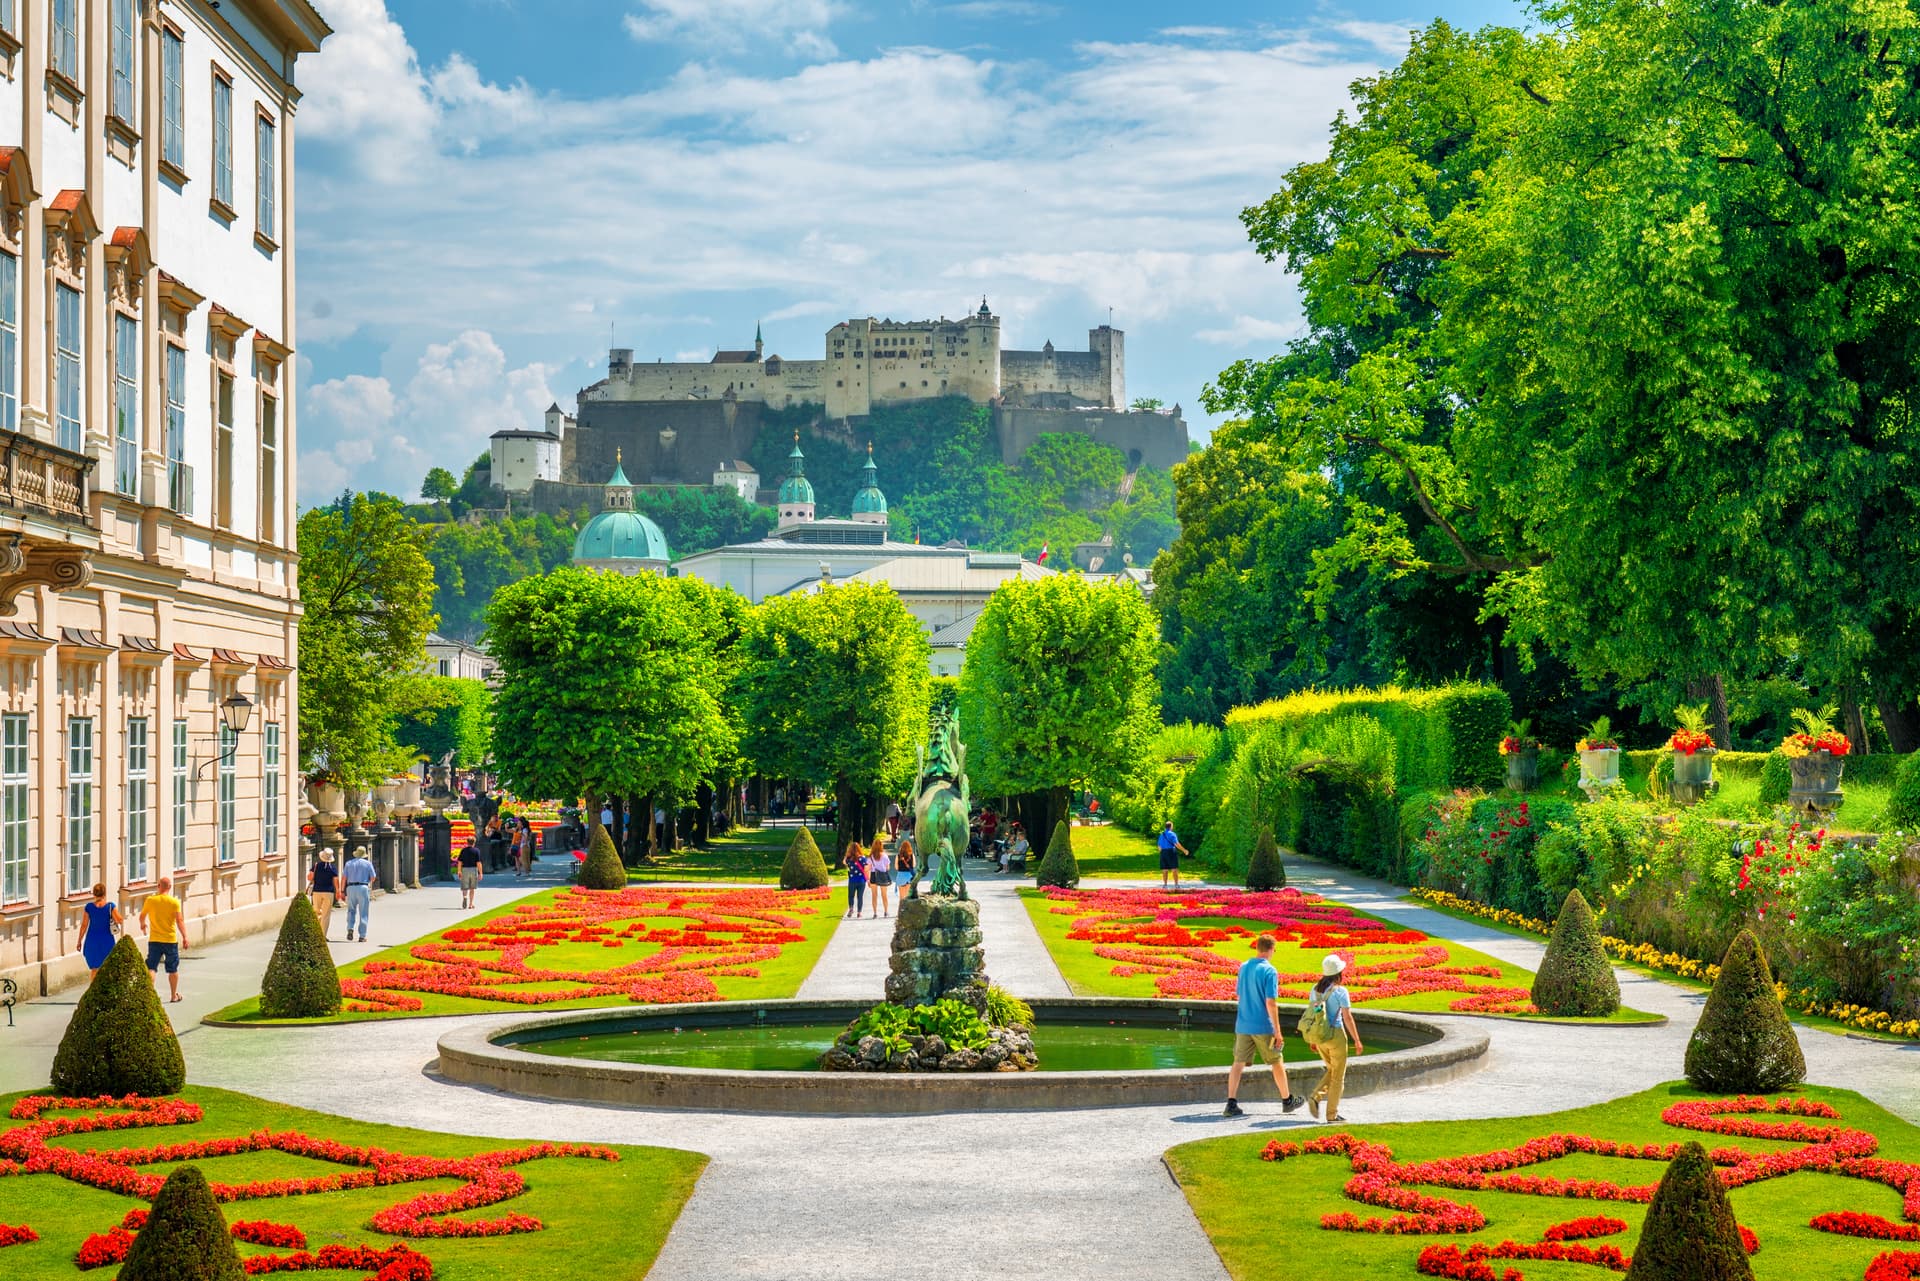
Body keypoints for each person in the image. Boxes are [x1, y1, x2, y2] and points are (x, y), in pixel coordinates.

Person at [1224, 934, 1302, 1117]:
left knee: (1238, 1062)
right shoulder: (1270, 971)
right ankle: (1287, 1100)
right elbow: (1271, 1003)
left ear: (1257, 948)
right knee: (1276, 1061)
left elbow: (1240, 996)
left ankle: (1231, 1102)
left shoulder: (1243, 967)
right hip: (1263, 1025)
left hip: (1243, 1024)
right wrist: (1278, 1030)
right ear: (1271, 949)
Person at [1304, 955, 1363, 1122]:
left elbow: (1312, 1016)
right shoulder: (1340, 991)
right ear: (1339, 973)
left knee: (1332, 1071)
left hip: (1320, 1036)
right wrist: (1357, 1040)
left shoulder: (1314, 990)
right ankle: (1331, 1114)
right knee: (1338, 1076)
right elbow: (1347, 1018)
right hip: (1336, 1035)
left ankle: (1316, 1097)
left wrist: (1313, 1040)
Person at [139, 877, 189, 1002]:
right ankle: (173, 996)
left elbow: (142, 916)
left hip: (155, 939)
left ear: (158, 886)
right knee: (173, 969)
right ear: (170, 887)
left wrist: (143, 925)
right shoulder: (174, 902)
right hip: (170, 940)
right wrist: (185, 937)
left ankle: (149, 997)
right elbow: (179, 920)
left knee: (151, 967)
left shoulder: (150, 900)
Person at [77, 882, 122, 977]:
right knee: (108, 968)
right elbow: (119, 920)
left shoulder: (89, 907)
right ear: (104, 894)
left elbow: (84, 925)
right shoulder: (110, 906)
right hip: (107, 940)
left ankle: (93, 990)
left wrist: (79, 941)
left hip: (92, 941)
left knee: (94, 969)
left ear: (94, 894)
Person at [342, 847, 377, 942]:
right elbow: (373, 877)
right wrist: (368, 882)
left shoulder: (348, 863)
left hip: (350, 887)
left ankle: (350, 928)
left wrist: (342, 891)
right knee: (363, 912)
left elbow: (344, 878)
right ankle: (362, 935)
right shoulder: (368, 864)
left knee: (351, 910)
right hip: (363, 887)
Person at [308, 850, 340, 937]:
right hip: (328, 892)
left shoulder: (316, 866)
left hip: (317, 891)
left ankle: (316, 934)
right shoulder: (332, 868)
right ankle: (323, 935)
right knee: (326, 914)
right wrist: (338, 891)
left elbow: (309, 877)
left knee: (317, 912)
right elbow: (335, 880)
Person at [866, 835, 891, 918]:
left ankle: (875, 913)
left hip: (873, 875)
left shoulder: (870, 857)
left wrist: (868, 880)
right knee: (884, 895)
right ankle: (886, 911)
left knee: (874, 895)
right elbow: (888, 868)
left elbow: (868, 868)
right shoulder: (884, 855)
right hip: (883, 875)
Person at [1158, 821, 1189, 890]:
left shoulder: (1161, 835)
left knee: (1164, 870)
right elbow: (1176, 844)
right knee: (1174, 869)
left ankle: (1165, 885)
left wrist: (1162, 853)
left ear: (1165, 827)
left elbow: (1159, 846)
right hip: (1171, 851)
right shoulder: (1172, 834)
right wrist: (1184, 850)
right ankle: (1176, 885)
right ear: (1171, 826)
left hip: (1163, 852)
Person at [843, 841, 867, 919]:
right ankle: (859, 913)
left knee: (851, 896)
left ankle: (851, 909)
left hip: (852, 880)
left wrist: (847, 854)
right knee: (860, 897)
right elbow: (866, 869)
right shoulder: (863, 858)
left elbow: (844, 862)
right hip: (861, 880)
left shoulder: (849, 859)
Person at [457, 842, 484, 909]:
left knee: (465, 887)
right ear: (474, 843)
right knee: (472, 888)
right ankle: (470, 904)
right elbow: (478, 863)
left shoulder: (463, 850)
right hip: (473, 869)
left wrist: (459, 871)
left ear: (467, 842)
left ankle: (465, 897)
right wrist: (480, 873)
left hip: (465, 869)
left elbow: (460, 862)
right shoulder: (476, 851)